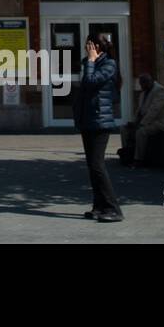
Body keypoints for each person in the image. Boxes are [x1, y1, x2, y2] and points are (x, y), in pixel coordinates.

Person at [74, 32, 124, 222]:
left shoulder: (109, 64)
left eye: (89, 45)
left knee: (97, 165)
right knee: (92, 166)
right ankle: (99, 206)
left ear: (97, 47)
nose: (86, 49)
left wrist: (91, 61)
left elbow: (91, 82)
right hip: (89, 120)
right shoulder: (93, 63)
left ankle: (113, 209)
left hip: (100, 121)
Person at [120, 73, 164, 166]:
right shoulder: (143, 93)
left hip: (160, 122)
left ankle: (138, 159)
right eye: (140, 84)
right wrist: (134, 122)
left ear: (149, 82)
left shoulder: (160, 91)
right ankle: (128, 153)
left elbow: (154, 111)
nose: (141, 86)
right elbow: (139, 110)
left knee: (141, 132)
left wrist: (141, 124)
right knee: (123, 129)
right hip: (147, 121)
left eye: (143, 84)